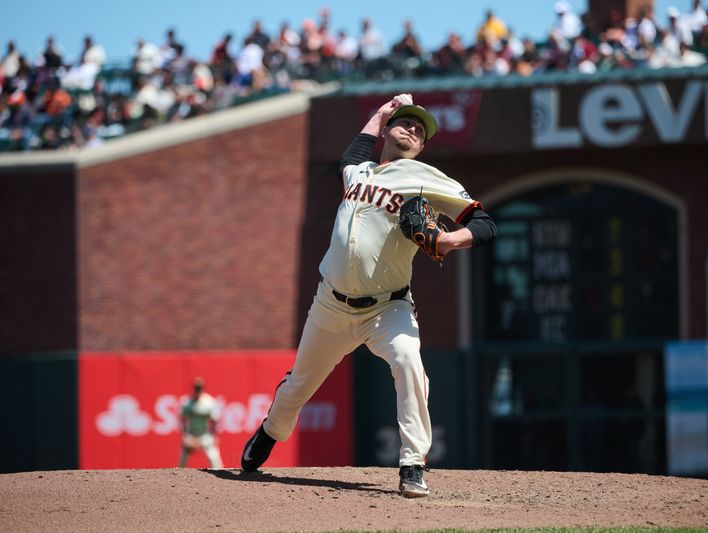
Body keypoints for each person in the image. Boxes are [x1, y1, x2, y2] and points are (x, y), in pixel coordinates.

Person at [240, 95, 497, 498]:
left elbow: (484, 223)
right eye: (405, 123)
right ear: (389, 129)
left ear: (423, 146)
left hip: (388, 307)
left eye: (420, 130)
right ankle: (270, 433)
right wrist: (381, 112)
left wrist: (448, 238)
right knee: (299, 385)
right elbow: (352, 153)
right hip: (330, 304)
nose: (411, 129)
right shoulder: (359, 172)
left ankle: (412, 463)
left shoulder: (426, 176)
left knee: (409, 362)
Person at [179, 377, 223, 469]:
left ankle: (219, 478)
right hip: (191, 433)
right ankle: (177, 478)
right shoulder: (187, 403)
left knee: (213, 457)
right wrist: (185, 436)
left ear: (202, 388)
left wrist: (214, 436)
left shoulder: (209, 402)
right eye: (196, 387)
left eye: (199, 387)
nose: (197, 389)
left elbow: (214, 421)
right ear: (193, 388)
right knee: (182, 459)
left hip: (204, 434)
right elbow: (182, 419)